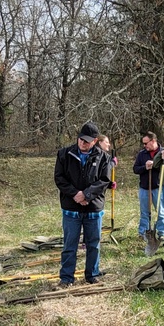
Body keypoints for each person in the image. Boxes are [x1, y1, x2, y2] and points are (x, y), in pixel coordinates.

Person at [54, 122, 112, 286]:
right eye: (81, 139)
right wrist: (76, 194)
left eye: (87, 141)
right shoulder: (64, 154)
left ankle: (92, 274)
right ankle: (66, 277)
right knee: (70, 244)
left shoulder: (104, 158)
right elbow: (59, 178)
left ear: (95, 141)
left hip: (93, 207)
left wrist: (87, 195)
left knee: (93, 244)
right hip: (71, 207)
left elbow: (104, 181)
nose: (82, 143)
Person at [133, 131, 164, 240]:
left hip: (158, 187)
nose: (144, 146)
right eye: (143, 143)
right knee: (144, 212)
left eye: (146, 143)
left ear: (153, 141)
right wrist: (145, 167)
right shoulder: (142, 154)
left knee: (160, 211)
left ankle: (161, 233)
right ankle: (143, 232)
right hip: (144, 188)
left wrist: (154, 166)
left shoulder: (163, 153)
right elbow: (135, 169)